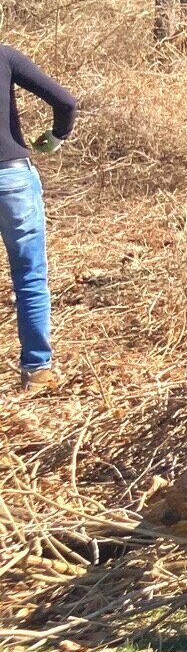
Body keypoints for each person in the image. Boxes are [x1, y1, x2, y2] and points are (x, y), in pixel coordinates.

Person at [1, 42, 76, 391]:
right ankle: (37, 371)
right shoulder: (4, 55)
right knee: (29, 276)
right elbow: (65, 102)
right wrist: (57, 135)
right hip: (12, 178)